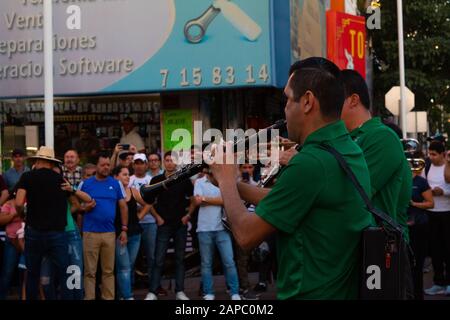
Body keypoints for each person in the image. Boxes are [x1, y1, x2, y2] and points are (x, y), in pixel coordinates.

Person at [209, 57, 373, 299]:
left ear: (307, 101)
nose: (284, 108)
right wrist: (234, 185)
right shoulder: (346, 148)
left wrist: (224, 180)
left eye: (287, 99)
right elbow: (285, 198)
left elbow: (246, 235)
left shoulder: (312, 162)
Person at [339, 70, 412, 241]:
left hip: (382, 250)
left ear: (353, 100)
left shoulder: (382, 137)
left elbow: (349, 194)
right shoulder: (350, 138)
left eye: (333, 100)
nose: (328, 106)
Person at [14, 146, 71, 300]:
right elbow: (73, 202)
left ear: (38, 161)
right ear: (52, 163)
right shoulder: (60, 180)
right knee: (64, 271)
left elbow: (19, 202)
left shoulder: (27, 177)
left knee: (32, 273)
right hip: (57, 232)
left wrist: (22, 215)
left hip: (34, 232)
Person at [144, 151, 196, 300]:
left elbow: (193, 200)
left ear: (177, 162)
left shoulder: (184, 179)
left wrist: (188, 216)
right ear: (163, 162)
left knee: (180, 259)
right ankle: (153, 292)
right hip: (163, 224)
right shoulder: (156, 180)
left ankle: (180, 291)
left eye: (172, 160)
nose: (169, 163)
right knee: (158, 259)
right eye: (167, 160)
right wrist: (157, 217)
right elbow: (149, 202)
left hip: (180, 224)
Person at [79, 153, 128, 300]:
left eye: (108, 165)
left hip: (109, 233)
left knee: (108, 271)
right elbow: (76, 206)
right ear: (96, 166)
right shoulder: (85, 184)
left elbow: (123, 207)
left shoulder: (116, 183)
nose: (106, 167)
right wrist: (85, 208)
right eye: (103, 165)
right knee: (90, 272)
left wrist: (124, 228)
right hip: (90, 232)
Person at [191, 171, 241, 300]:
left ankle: (234, 292)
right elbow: (196, 201)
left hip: (222, 228)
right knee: (206, 263)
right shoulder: (199, 181)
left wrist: (204, 198)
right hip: (204, 228)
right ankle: (209, 292)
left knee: (229, 261)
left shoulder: (224, 182)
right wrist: (218, 200)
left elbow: (226, 201)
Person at [112, 166, 150, 300]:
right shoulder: (112, 192)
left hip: (135, 233)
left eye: (128, 174)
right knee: (124, 267)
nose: (128, 177)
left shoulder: (133, 191)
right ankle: (128, 296)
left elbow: (148, 204)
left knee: (128, 266)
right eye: (124, 174)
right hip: (119, 234)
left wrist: (139, 216)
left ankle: (122, 295)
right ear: (116, 177)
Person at [423, 142, 450, 296]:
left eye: (434, 154)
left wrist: (443, 193)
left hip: (447, 212)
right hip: (431, 212)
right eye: (430, 154)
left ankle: (448, 282)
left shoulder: (448, 166)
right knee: (435, 249)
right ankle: (438, 281)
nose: (431, 157)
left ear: (442, 154)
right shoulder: (427, 166)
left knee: (448, 248)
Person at [407, 152, 434, 300]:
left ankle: (417, 294)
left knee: (418, 264)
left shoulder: (421, 182)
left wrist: (415, 204)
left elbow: (431, 203)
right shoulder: (401, 180)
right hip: (405, 225)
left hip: (419, 226)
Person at [0, 188, 25, 300]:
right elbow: (1, 220)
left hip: (26, 241)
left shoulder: (30, 202)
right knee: (8, 271)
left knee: (24, 272)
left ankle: (23, 296)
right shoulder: (8, 204)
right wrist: (14, 215)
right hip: (11, 240)